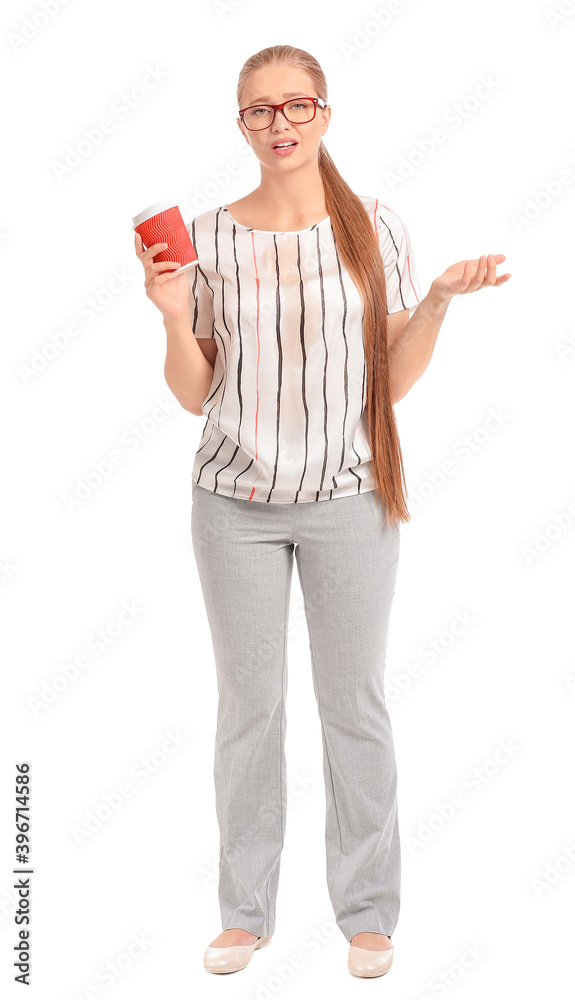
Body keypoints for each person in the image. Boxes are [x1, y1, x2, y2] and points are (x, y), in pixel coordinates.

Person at [134, 43, 510, 979]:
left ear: (325, 115)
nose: (280, 124)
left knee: (355, 707)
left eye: (296, 106)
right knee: (248, 712)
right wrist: (171, 312)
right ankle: (244, 913)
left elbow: (389, 381)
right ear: (242, 127)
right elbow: (194, 392)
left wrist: (432, 306)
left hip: (349, 500)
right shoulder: (211, 237)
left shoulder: (374, 226)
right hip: (234, 505)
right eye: (261, 111)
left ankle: (368, 911)